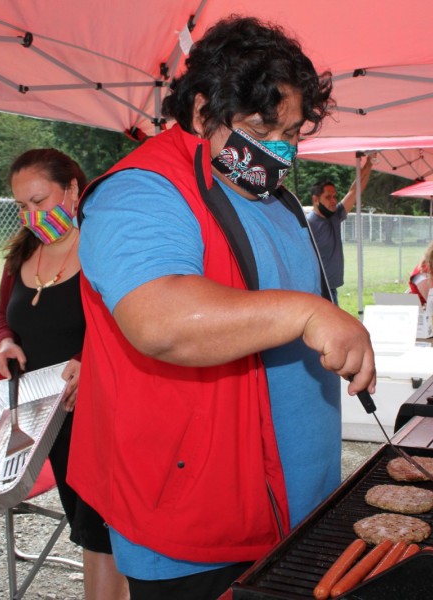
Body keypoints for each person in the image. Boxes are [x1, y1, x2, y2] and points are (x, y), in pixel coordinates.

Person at [67, 16, 375, 600]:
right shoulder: (142, 189)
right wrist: (308, 314)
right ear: (204, 109)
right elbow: (160, 320)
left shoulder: (273, 194)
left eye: (293, 130)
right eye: (264, 125)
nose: (281, 147)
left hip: (296, 505)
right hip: (195, 524)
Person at [0, 149, 129, 600]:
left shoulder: (100, 248)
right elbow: (4, 318)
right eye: (21, 206)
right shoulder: (20, 256)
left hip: (103, 416)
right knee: (89, 528)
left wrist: (88, 356)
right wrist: (5, 343)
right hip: (51, 420)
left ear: (72, 189)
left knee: (101, 534)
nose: (31, 215)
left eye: (39, 201)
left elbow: (127, 320)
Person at [306, 157, 373, 305]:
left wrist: (369, 163)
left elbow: (355, 191)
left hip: (332, 289)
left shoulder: (335, 215)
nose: (333, 200)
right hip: (318, 291)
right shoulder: (308, 224)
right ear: (315, 199)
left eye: (335, 196)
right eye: (328, 197)